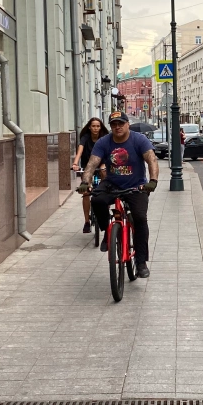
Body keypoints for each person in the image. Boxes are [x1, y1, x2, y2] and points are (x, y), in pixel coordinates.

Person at [77, 111, 158, 279]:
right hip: (112, 184)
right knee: (97, 200)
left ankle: (141, 263)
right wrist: (85, 182)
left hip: (137, 186)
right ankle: (107, 230)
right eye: (113, 124)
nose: (117, 127)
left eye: (121, 123)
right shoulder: (104, 142)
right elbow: (92, 164)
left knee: (140, 218)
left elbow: (152, 160)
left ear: (127, 124)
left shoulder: (139, 140)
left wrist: (153, 181)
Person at [72, 117, 105, 233]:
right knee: (86, 192)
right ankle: (87, 221)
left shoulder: (104, 138)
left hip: (101, 163)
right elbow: (79, 151)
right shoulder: (85, 138)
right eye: (93, 126)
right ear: (90, 127)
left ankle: (103, 189)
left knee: (104, 171)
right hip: (87, 166)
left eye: (98, 126)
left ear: (100, 127)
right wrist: (75, 163)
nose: (95, 128)